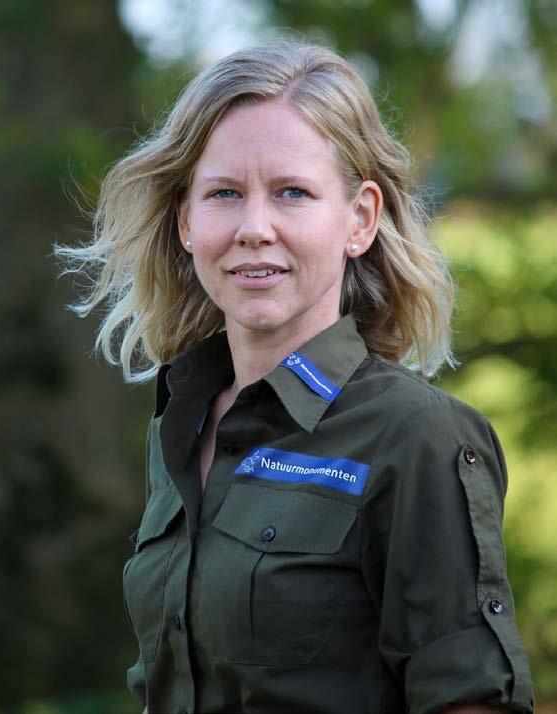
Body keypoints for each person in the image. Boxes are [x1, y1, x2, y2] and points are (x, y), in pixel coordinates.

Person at [59, 41, 533, 713]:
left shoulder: (416, 436)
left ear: (360, 220)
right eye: (225, 193)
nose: (255, 227)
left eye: (292, 193)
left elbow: (470, 702)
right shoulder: (180, 423)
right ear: (187, 220)